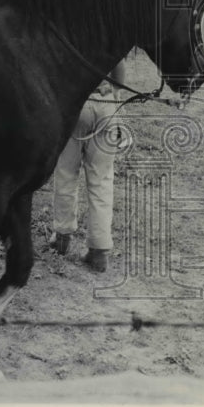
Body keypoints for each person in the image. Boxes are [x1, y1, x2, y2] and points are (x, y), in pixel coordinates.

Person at [49, 62, 128, 273]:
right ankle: (99, 250)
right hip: (106, 105)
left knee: (66, 172)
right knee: (101, 181)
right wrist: (115, 92)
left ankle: (62, 237)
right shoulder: (110, 30)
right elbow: (119, 70)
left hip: (76, 103)